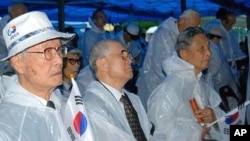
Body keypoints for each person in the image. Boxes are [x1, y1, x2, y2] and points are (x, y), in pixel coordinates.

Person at [0, 11, 75, 140]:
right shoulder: (7, 127)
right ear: (18, 63)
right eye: (47, 51)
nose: (59, 60)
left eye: (59, 50)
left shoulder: (64, 102)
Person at [147, 27, 224, 141]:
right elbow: (158, 135)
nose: (208, 53)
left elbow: (222, 117)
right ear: (184, 54)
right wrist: (196, 132)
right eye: (201, 48)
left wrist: (213, 116)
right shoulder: (168, 90)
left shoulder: (200, 83)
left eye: (208, 47)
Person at [83, 39, 150, 141]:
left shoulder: (132, 99)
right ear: (103, 64)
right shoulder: (91, 107)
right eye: (123, 55)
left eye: (129, 56)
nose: (130, 60)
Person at [136, 9, 201, 109]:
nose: (193, 31)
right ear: (182, 21)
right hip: (158, 86)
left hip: (170, 86)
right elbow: (162, 65)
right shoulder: (164, 34)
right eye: (193, 27)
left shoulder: (178, 34)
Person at [205, 25, 240, 111]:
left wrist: (209, 74)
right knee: (232, 99)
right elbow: (218, 62)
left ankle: (232, 118)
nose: (220, 40)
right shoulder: (214, 46)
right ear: (216, 37)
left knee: (224, 101)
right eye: (219, 38)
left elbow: (217, 63)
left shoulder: (212, 45)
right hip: (225, 77)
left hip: (219, 79)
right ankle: (237, 117)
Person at [113, 23, 144, 93]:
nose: (131, 40)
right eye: (131, 38)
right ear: (126, 34)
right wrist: (133, 61)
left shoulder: (131, 42)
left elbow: (137, 53)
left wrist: (137, 60)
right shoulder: (116, 41)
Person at [0, 2, 28, 75]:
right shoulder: (2, 28)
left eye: (25, 12)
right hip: (4, 70)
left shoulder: (30, 26)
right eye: (22, 13)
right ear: (12, 14)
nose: (25, 15)